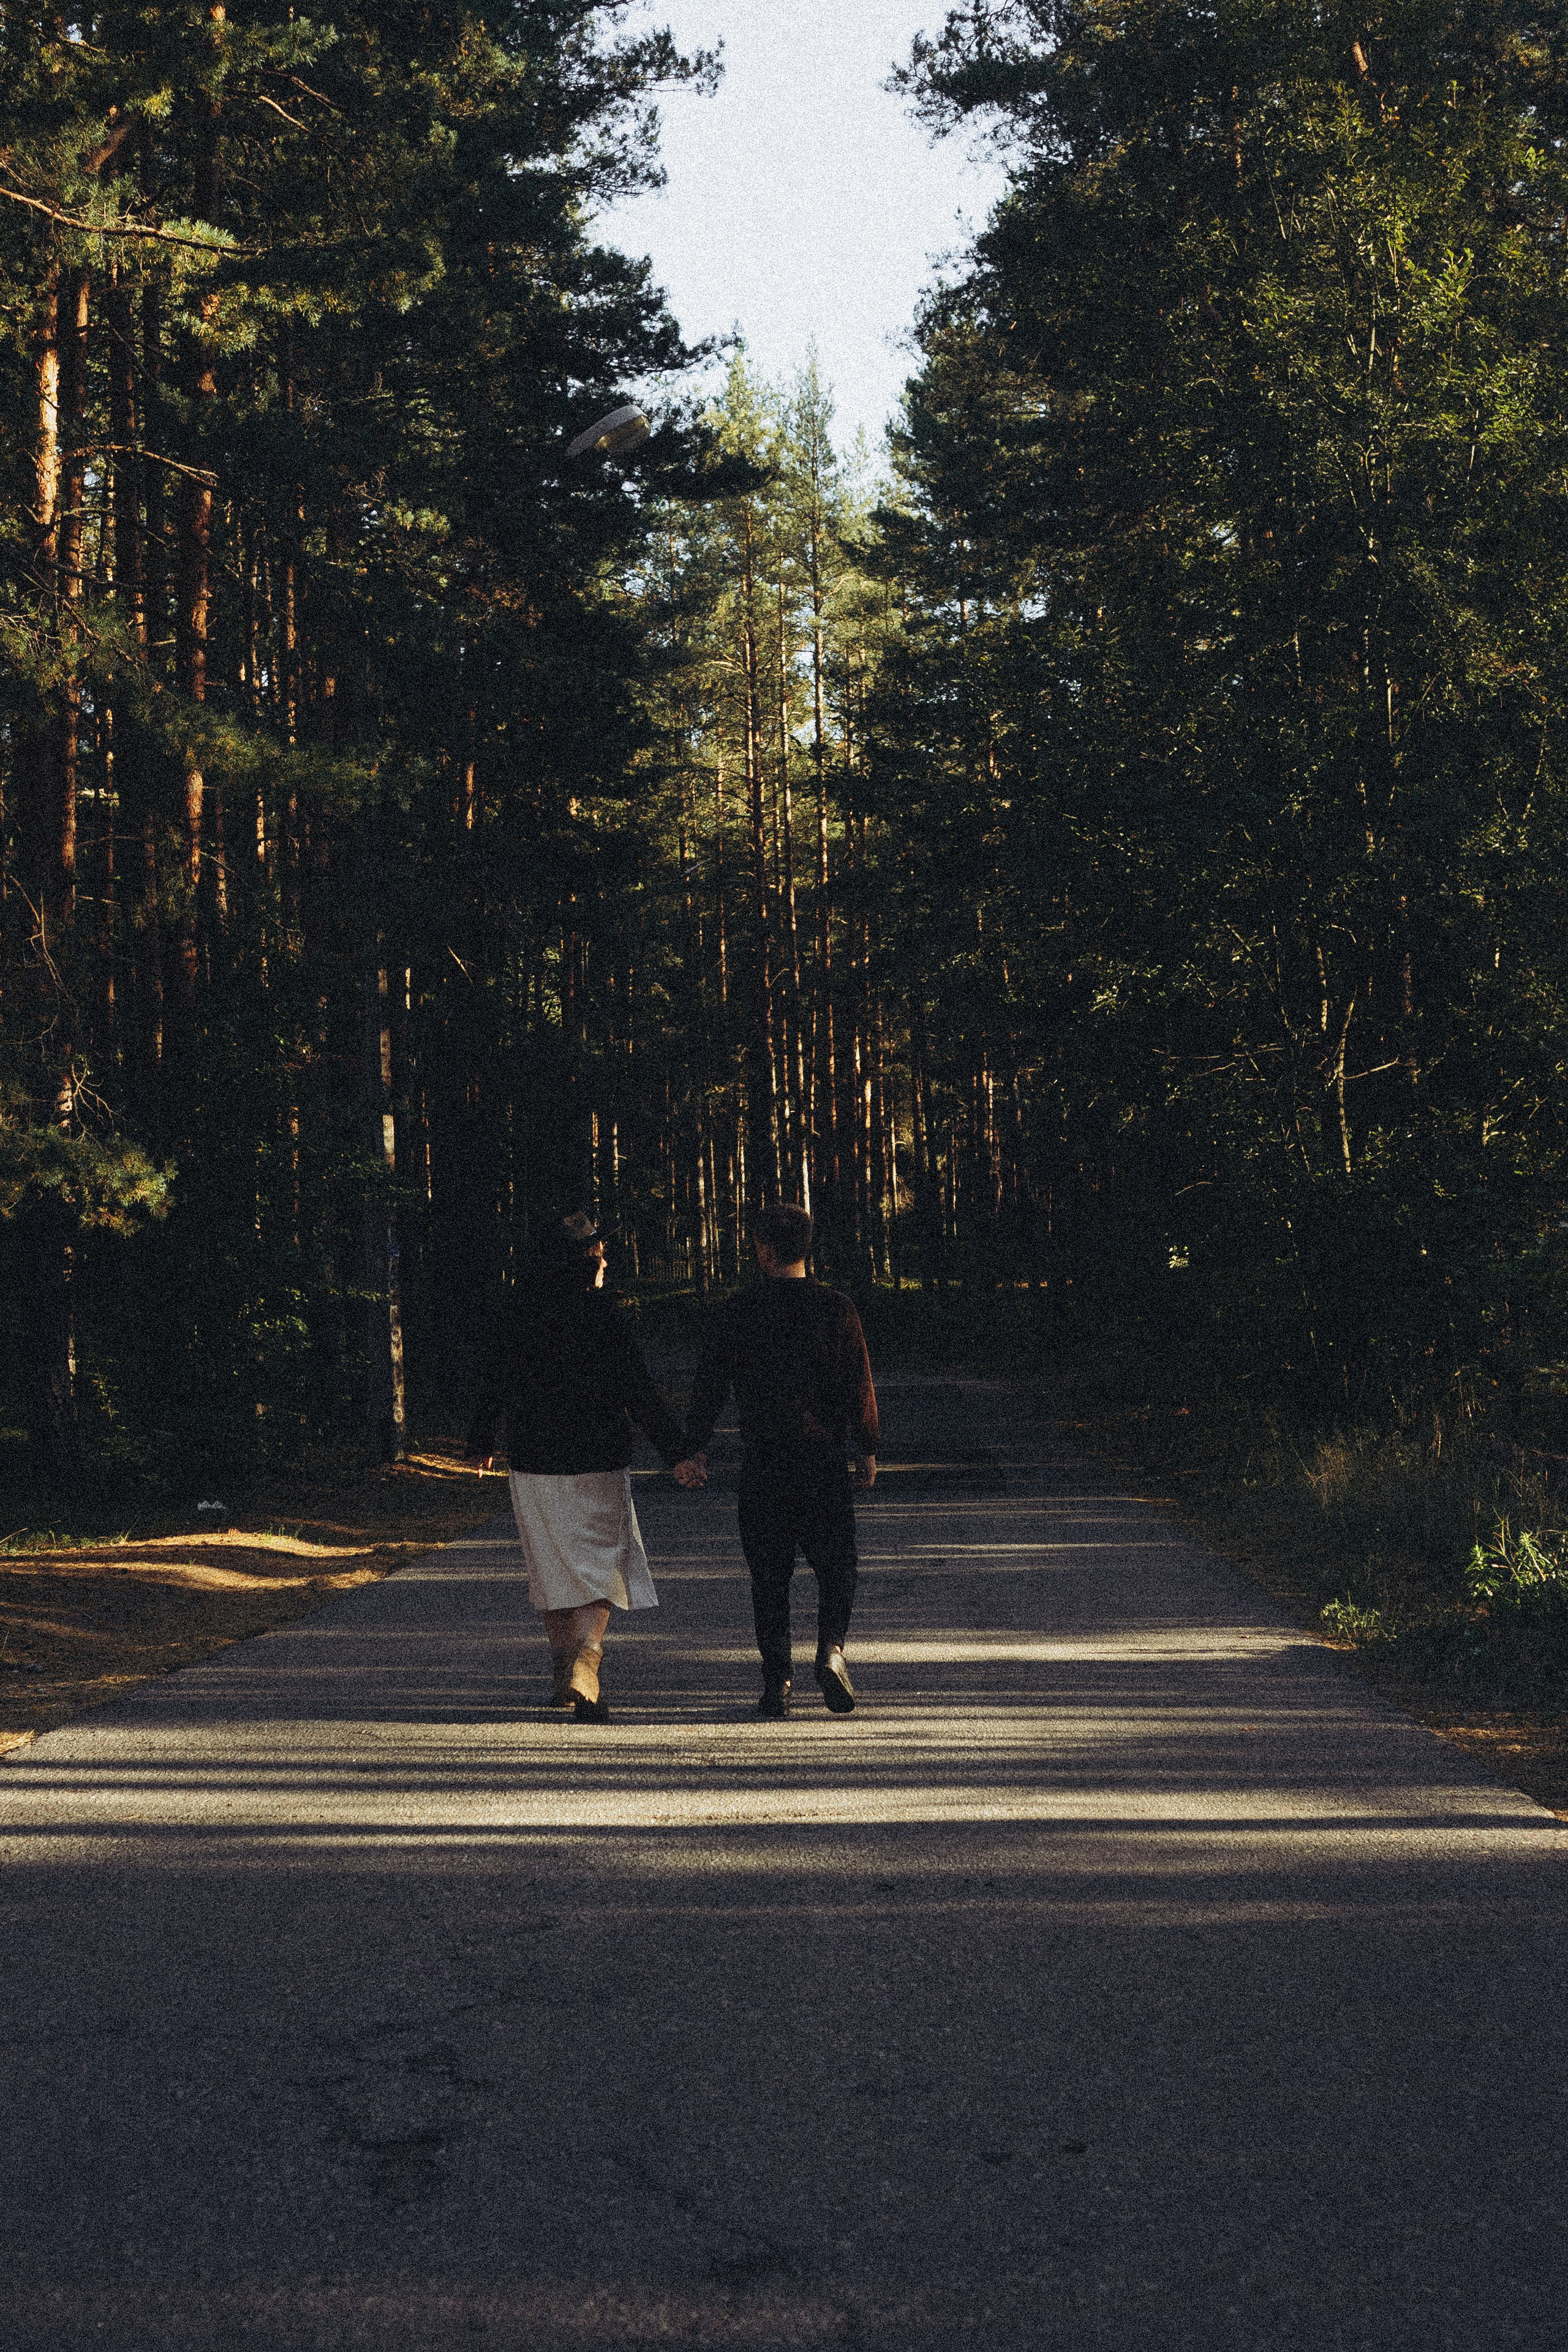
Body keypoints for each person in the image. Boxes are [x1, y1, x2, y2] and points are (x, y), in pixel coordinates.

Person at [464, 1210, 697, 1722]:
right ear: (583, 1261)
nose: (606, 1262)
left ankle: (560, 1671)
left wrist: (481, 1440)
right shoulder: (603, 1315)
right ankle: (586, 1661)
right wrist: (677, 1453)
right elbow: (638, 1389)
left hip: (534, 1460)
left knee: (550, 1563)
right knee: (603, 1563)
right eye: (600, 1253)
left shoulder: (516, 1311)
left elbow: (494, 1379)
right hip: (598, 1457)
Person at [679, 1202, 878, 1719]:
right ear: (806, 1249)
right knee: (838, 1565)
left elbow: (710, 1384)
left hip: (764, 1462)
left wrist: (693, 1446)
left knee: (769, 1576)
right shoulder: (837, 1308)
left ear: (764, 1251)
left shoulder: (739, 1310)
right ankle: (831, 1650)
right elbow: (857, 1383)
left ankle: (778, 1682)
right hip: (822, 1460)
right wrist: (867, 1446)